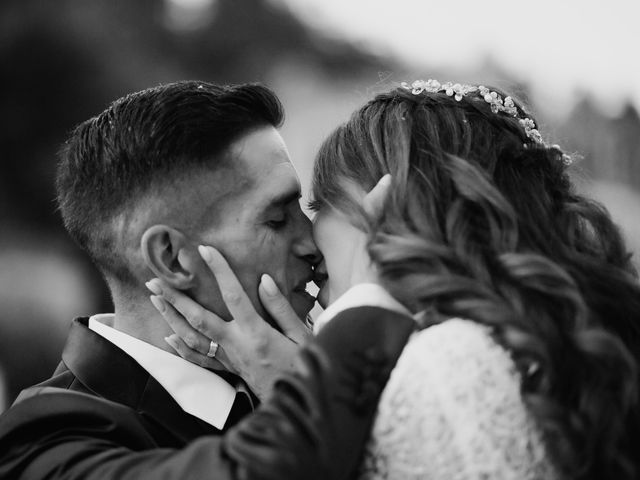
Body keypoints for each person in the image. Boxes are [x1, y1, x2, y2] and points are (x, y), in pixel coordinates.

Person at [154, 80, 640, 479]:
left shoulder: (447, 363)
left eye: (322, 205)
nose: (309, 239)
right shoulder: (535, 338)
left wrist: (301, 397)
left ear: (391, 203)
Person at [0, 81, 418, 480]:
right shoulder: (44, 442)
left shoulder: (299, 359)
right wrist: (364, 307)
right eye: (276, 219)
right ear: (173, 259)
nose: (311, 242)